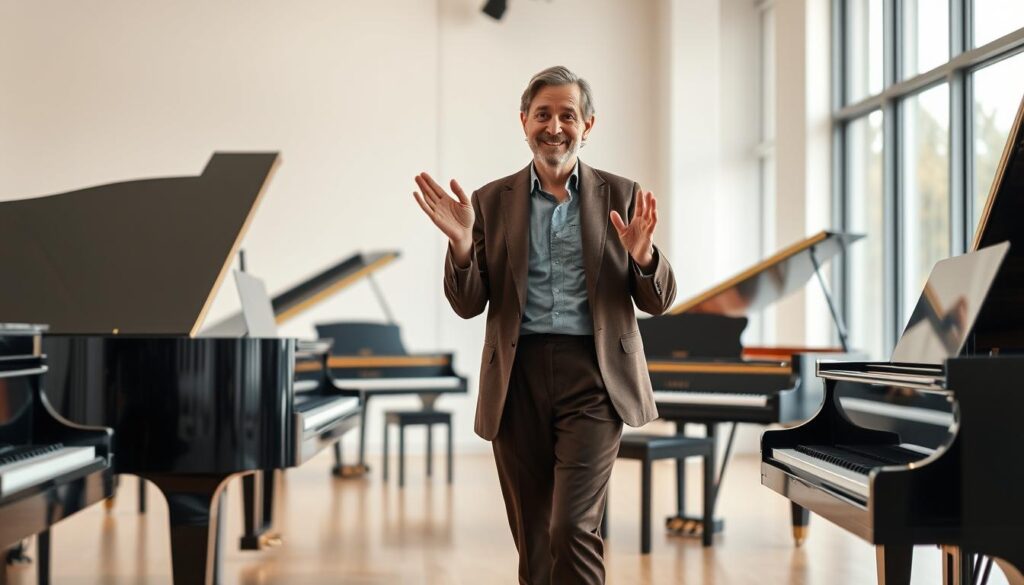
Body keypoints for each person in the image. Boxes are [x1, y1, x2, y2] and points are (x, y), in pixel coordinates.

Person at [413, 65, 677, 585]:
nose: (555, 126)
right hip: (517, 378)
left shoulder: (621, 194)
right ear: (524, 121)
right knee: (533, 539)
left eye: (568, 115)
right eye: (543, 115)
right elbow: (468, 305)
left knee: (571, 526)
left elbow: (660, 301)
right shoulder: (489, 202)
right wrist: (463, 245)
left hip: (596, 377)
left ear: (589, 125)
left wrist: (645, 257)